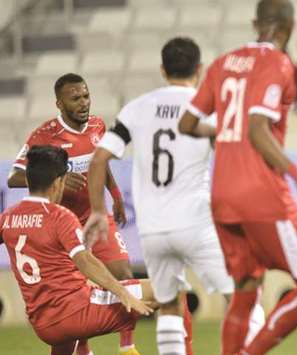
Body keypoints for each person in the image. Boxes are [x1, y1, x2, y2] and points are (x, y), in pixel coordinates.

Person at [82, 36, 266, 355]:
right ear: (200, 69)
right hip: (196, 224)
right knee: (244, 294)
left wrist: (98, 210)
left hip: (153, 231)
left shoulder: (136, 109)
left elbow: (99, 158)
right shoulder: (208, 109)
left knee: (168, 305)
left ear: (162, 69)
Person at [178, 1, 297, 354]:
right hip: (261, 193)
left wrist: (218, 133)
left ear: (255, 23)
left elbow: (186, 124)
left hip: (222, 194)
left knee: (247, 288)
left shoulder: (221, 63)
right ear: (289, 27)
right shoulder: (278, 62)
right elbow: (258, 131)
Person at [6, 73, 137, 355]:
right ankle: (81, 349)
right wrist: (60, 178)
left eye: (86, 96)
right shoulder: (44, 136)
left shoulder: (98, 125)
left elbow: (100, 163)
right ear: (59, 103)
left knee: (124, 273)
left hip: (95, 216)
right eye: (75, 98)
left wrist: (115, 195)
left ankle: (128, 347)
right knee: (72, 296)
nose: (83, 103)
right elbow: (14, 177)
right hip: (61, 223)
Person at [0, 145, 155, 355]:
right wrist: (123, 293)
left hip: (43, 324)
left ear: (28, 180)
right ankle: (132, 348)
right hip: (76, 312)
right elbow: (85, 261)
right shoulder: (59, 216)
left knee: (67, 339)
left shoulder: (7, 217)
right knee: (168, 288)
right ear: (58, 182)